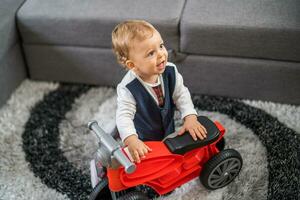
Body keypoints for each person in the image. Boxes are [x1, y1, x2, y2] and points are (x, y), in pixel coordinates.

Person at [112, 20, 207, 163]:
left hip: (168, 127)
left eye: (161, 46)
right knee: (148, 161)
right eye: (151, 53)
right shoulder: (127, 88)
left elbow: (181, 94)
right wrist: (132, 140)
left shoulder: (170, 71)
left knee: (170, 151)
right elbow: (124, 115)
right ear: (133, 65)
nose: (161, 54)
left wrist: (190, 117)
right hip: (144, 136)